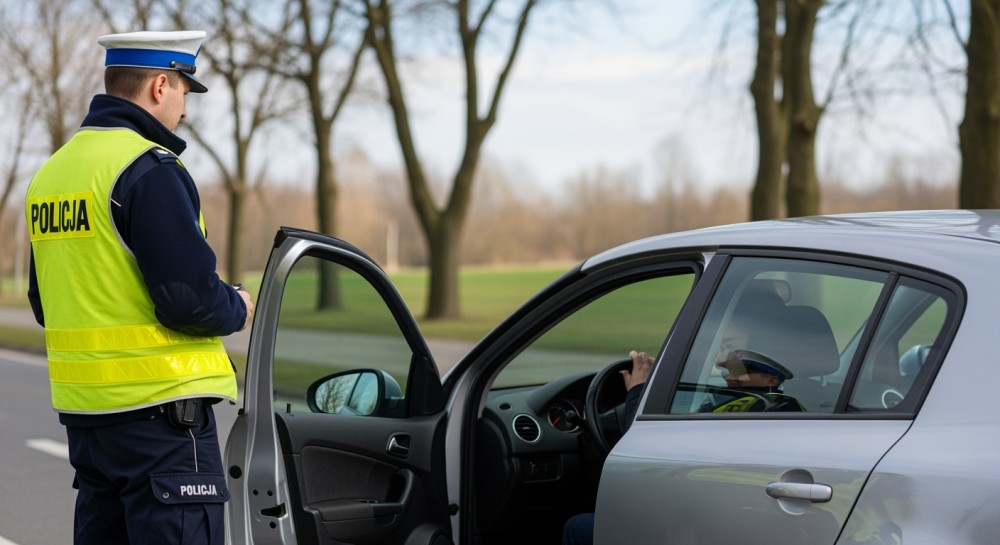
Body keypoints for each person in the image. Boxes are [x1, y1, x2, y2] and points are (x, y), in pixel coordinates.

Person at [24, 30, 252, 545]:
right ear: (159, 85)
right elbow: (188, 300)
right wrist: (235, 306)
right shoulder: (148, 169)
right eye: (184, 93)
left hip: (88, 424)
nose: (185, 111)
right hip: (164, 423)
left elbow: (45, 304)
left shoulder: (52, 175)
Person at [710, 348, 805, 412]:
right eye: (730, 372)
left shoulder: (781, 406)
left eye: (742, 372)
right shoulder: (720, 398)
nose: (729, 378)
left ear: (771, 381)